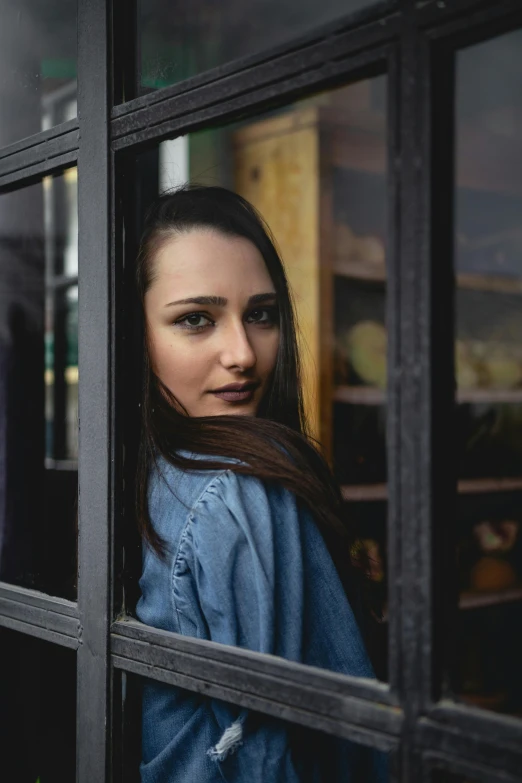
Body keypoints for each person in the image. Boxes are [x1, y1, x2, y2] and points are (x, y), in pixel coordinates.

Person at [135, 184, 388, 782]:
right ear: (133, 336)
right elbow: (268, 758)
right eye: (196, 319)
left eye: (261, 315)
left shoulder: (165, 475)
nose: (243, 353)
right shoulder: (238, 491)